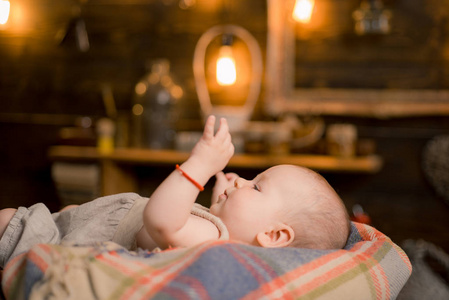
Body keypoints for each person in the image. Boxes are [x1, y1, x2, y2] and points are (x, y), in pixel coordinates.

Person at [0, 115, 350, 269]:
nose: (241, 180)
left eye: (257, 186)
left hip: (64, 242)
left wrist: (201, 164)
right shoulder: (215, 232)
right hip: (81, 224)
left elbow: (162, 220)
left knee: (7, 222)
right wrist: (218, 202)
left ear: (273, 234)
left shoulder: (212, 238)